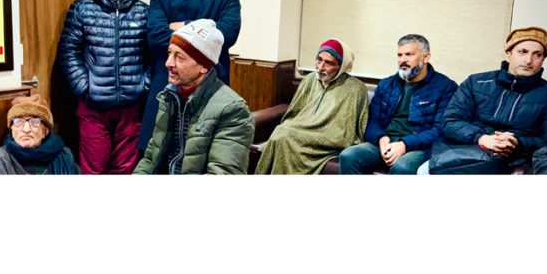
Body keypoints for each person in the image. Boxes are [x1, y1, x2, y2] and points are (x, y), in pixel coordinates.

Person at [141, 0, 241, 153]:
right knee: (159, 157)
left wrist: (179, 27)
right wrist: (207, 28)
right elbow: (156, 36)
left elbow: (226, 35)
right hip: (166, 85)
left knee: (206, 156)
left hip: (211, 87)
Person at [58, 0, 149, 174]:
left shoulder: (144, 12)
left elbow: (154, 56)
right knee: (94, 170)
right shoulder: (82, 9)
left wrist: (143, 84)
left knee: (125, 171)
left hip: (131, 108)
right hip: (93, 108)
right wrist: (85, 88)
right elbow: (69, 53)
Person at [422, 26, 547, 174]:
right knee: (424, 172)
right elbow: (450, 121)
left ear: (543, 59)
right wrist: (482, 137)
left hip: (519, 158)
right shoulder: (476, 82)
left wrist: (517, 143)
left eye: (537, 54)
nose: (528, 60)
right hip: (467, 150)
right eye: (522, 52)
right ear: (509, 54)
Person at [134, 19, 254, 174]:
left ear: (203, 66)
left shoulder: (233, 109)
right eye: (170, 53)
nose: (168, 63)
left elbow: (222, 174)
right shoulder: (169, 96)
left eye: (180, 57)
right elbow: (151, 159)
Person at [340, 34, 457, 175]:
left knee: (403, 166)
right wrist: (380, 138)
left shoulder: (445, 87)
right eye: (399, 55)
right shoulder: (386, 84)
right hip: (386, 142)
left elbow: (441, 129)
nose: (403, 60)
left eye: (409, 54)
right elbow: (372, 121)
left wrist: (405, 144)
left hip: (420, 146)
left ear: (426, 57)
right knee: (349, 156)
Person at [255, 39, 369, 174]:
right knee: (281, 131)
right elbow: (295, 113)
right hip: (301, 128)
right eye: (319, 60)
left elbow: (348, 130)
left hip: (333, 136)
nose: (320, 68)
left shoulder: (355, 88)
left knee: (284, 134)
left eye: (329, 63)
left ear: (341, 66)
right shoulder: (310, 79)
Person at [0, 95, 80, 174]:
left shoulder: (64, 157)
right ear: (12, 129)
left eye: (35, 122)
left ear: (46, 130)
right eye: (18, 122)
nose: (26, 129)